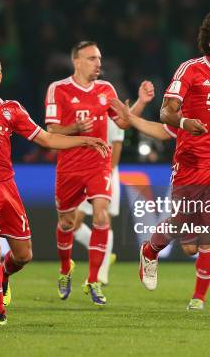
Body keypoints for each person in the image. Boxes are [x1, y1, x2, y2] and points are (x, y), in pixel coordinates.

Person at [0, 52, 109, 325]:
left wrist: (84, 141)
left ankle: (3, 274)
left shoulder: (12, 110)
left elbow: (48, 138)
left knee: (23, 254)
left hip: (5, 186)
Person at [137, 10, 210, 310]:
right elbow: (165, 112)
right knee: (182, 223)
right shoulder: (190, 70)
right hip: (192, 161)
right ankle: (150, 251)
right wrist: (184, 121)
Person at [112, 98, 210, 310]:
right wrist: (131, 118)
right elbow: (161, 131)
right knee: (187, 241)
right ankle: (150, 250)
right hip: (191, 172)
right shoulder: (192, 111)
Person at [44, 41, 146, 306]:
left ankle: (93, 280)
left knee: (101, 215)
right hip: (69, 166)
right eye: (92, 58)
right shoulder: (59, 89)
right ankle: (65, 269)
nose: (98, 63)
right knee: (67, 222)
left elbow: (123, 122)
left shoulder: (106, 89)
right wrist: (75, 128)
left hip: (98, 164)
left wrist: (141, 102)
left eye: (99, 58)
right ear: (77, 62)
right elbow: (52, 131)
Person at [72, 81, 155, 285]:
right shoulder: (88, 112)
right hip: (86, 171)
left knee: (102, 220)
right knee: (71, 223)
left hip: (106, 173)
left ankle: (101, 272)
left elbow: (116, 148)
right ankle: (104, 254)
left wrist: (106, 175)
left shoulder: (112, 118)